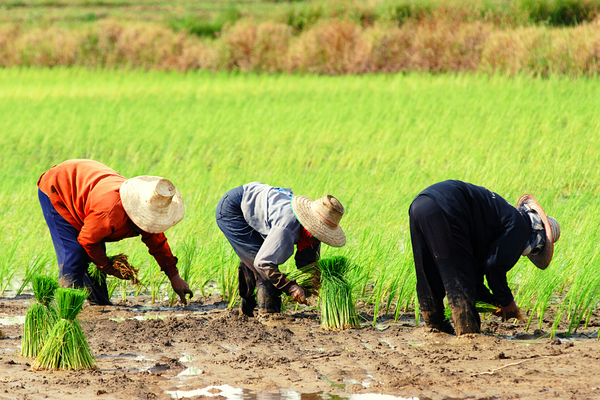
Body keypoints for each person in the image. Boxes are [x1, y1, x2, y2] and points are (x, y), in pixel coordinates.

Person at [409, 180, 560, 335]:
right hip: (447, 206)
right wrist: (507, 301)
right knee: (459, 282)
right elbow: (494, 266)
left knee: (428, 273)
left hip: (419, 204)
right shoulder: (520, 227)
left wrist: (493, 303)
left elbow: (475, 274)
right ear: (538, 235)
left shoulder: (502, 220)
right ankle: (468, 334)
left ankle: (435, 329)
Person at [37, 159, 194, 306]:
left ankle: (100, 305)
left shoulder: (149, 214)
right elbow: (87, 240)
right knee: (75, 253)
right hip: (59, 187)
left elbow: (158, 243)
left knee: (93, 258)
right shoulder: (110, 213)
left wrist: (174, 277)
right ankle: (67, 310)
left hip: (88, 195)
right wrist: (108, 267)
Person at [216, 182, 346, 316]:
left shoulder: (313, 234)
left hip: (258, 204)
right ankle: (268, 315)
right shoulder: (287, 228)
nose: (320, 237)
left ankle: (246, 311)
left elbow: (307, 262)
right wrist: (291, 288)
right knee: (264, 270)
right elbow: (263, 263)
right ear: (310, 227)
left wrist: (315, 279)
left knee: (258, 256)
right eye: (319, 233)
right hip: (233, 209)